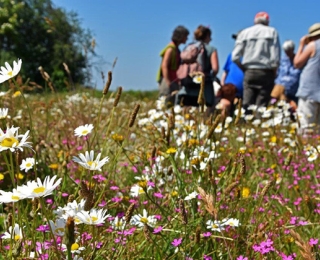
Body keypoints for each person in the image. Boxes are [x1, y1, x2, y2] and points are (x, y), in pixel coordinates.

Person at [232, 12, 280, 111]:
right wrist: (274, 72)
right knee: (261, 105)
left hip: (249, 71)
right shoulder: (272, 32)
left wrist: (244, 68)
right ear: (267, 21)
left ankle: (245, 124)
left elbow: (235, 56)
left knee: (247, 104)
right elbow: (275, 57)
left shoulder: (245, 33)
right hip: (266, 72)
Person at [177, 25, 219, 109]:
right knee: (203, 117)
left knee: (186, 116)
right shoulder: (211, 49)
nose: (210, 39)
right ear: (207, 36)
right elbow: (215, 68)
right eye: (210, 37)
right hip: (204, 90)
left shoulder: (188, 47)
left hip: (186, 89)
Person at [294, 23, 320, 128]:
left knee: (305, 125)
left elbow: (297, 63)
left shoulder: (313, 45)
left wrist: (301, 45)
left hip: (310, 91)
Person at [156, 26, 189, 104]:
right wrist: (168, 81)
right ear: (181, 36)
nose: (187, 39)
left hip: (174, 80)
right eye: (186, 36)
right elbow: (164, 65)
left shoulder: (176, 49)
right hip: (168, 79)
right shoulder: (170, 49)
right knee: (165, 100)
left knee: (171, 102)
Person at [271, 40, 301, 111]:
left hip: (293, 90)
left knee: (293, 109)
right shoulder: (282, 60)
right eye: (285, 51)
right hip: (280, 88)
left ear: (293, 49)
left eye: (289, 50)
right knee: (277, 105)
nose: (287, 52)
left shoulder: (298, 60)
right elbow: (277, 72)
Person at [219, 31, 244, 115]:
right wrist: (222, 83)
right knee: (225, 105)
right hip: (229, 88)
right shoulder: (231, 55)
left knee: (241, 109)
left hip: (243, 89)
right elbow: (226, 71)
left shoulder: (249, 57)